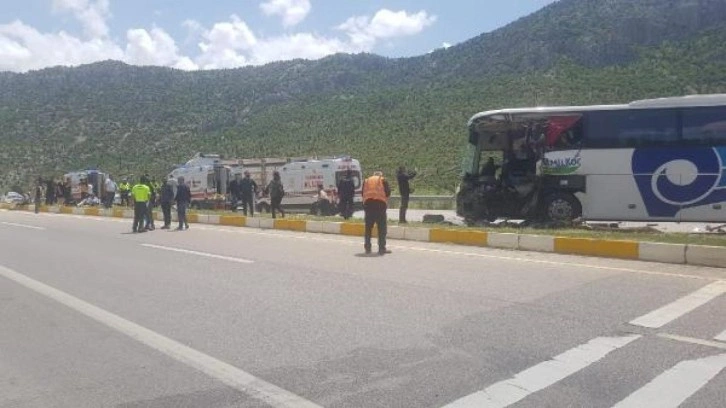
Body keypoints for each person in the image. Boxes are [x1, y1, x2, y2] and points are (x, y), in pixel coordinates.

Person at [362, 171, 391, 255]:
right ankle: (381, 248)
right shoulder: (382, 180)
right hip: (380, 206)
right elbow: (388, 193)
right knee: (382, 228)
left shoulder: (367, 181)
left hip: (368, 206)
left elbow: (362, 193)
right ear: (380, 175)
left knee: (368, 228)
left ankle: (367, 248)